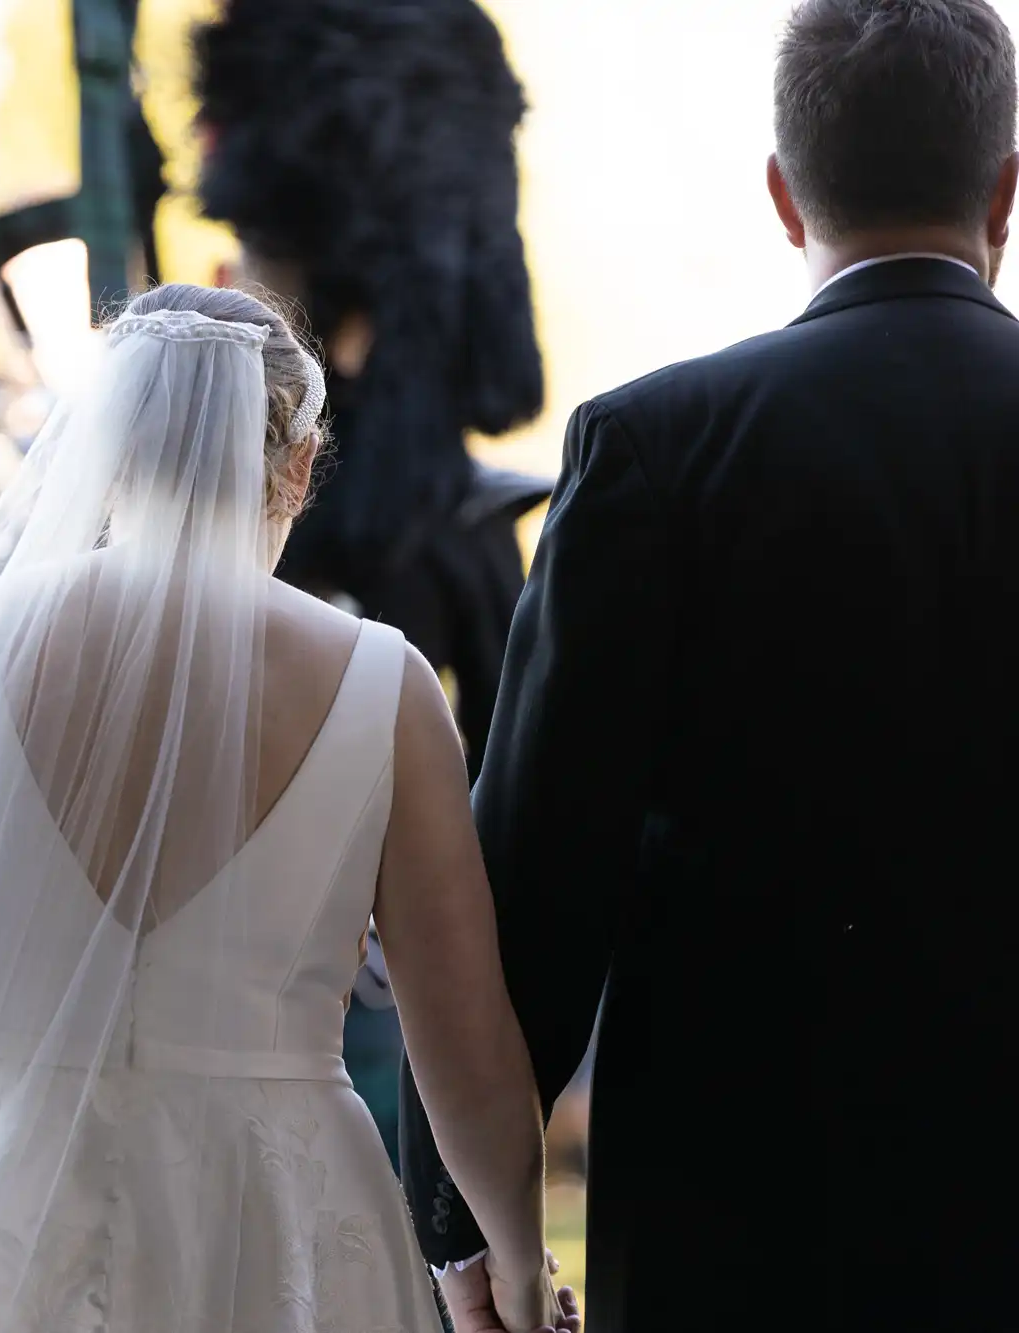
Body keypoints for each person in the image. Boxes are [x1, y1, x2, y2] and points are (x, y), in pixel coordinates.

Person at [0, 285, 576, 1333]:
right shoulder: (381, 689)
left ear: (104, 457)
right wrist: (515, 1271)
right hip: (268, 1215)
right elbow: (464, 1041)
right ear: (296, 468)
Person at [397, 2, 1019, 1328]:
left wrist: (465, 1219)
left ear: (786, 198)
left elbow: (536, 867)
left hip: (736, 1209)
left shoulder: (658, 448)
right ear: (1007, 192)